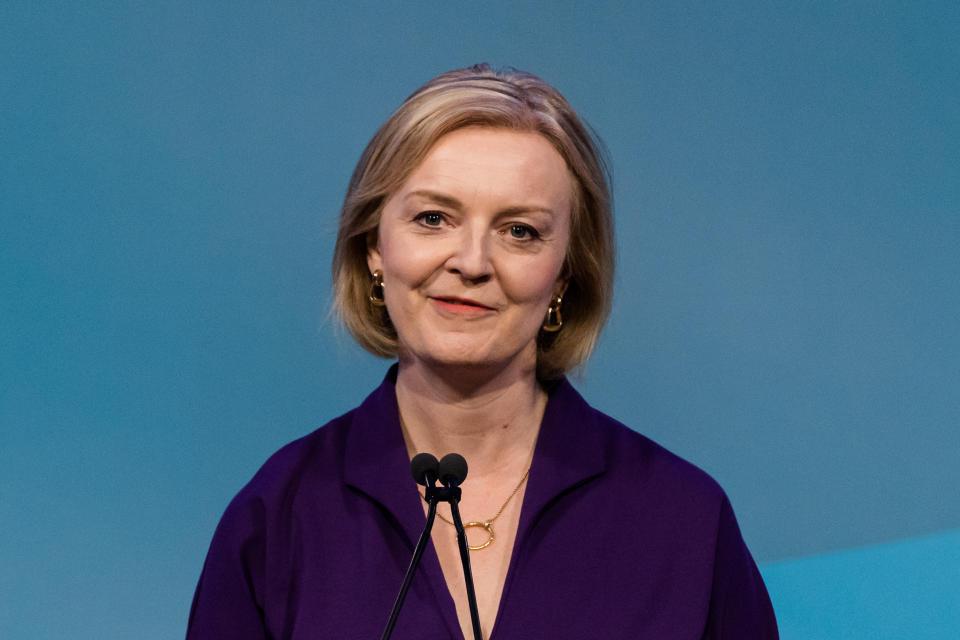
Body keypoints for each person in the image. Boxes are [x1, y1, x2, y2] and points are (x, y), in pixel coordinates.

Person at [186, 64, 778, 640]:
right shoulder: (279, 518)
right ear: (373, 248)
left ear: (567, 273)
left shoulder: (682, 519)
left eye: (519, 231)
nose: (471, 263)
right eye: (433, 218)